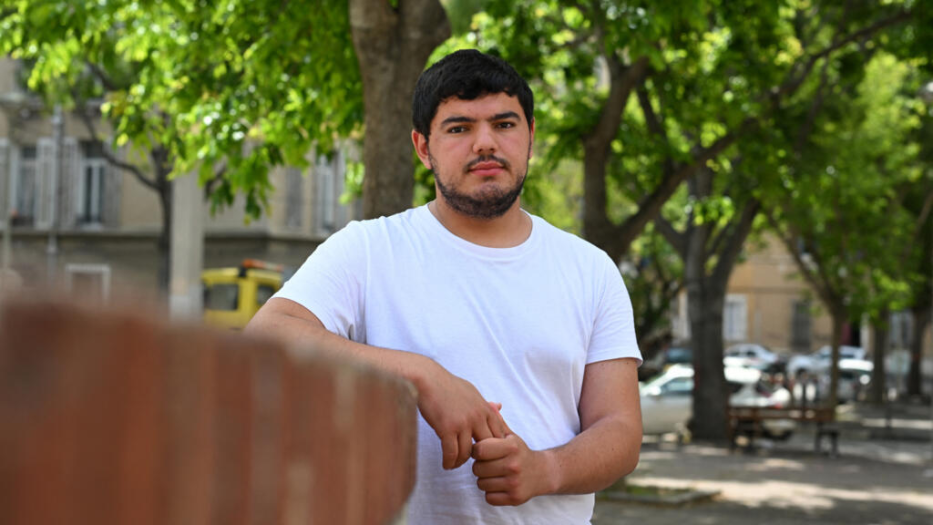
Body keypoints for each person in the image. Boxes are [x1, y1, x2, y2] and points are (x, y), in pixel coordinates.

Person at [246, 49, 642, 524]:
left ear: (531, 136)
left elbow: (620, 429)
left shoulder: (590, 269)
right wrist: (420, 374)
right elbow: (267, 336)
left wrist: (546, 470)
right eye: (459, 128)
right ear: (422, 147)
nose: (485, 143)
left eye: (504, 124)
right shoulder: (368, 249)